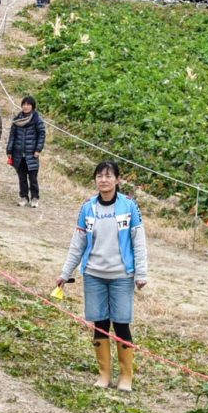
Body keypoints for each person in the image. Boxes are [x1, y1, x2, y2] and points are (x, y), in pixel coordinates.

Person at [55, 161, 149, 392]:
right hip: (93, 274)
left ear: (117, 180)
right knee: (100, 323)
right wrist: (65, 274)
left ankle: (126, 376)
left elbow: (139, 241)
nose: (103, 180)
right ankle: (104, 374)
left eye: (108, 176)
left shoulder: (129, 207)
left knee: (121, 323)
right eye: (99, 176)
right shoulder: (88, 208)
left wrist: (141, 273)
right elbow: (77, 244)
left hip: (121, 275)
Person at [6, 95, 45, 208]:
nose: (26, 107)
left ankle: (35, 198)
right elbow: (12, 136)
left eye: (28, 104)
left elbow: (41, 135)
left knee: (32, 178)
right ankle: (24, 197)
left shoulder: (37, 119)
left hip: (31, 154)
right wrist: (9, 149)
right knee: (22, 178)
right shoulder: (17, 120)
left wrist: (38, 149)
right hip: (18, 154)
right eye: (24, 104)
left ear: (32, 106)